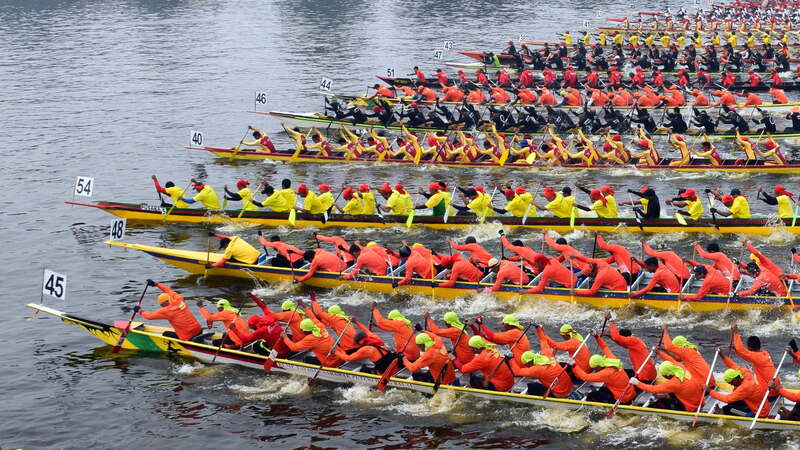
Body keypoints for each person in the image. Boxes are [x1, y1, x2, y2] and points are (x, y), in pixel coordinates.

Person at [570, 334, 635, 404]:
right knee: (603, 387)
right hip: (631, 392)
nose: (595, 370)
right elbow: (605, 347)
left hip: (623, 399)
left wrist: (574, 365)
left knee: (592, 395)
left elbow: (585, 377)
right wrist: (596, 337)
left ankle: (590, 400)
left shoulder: (606, 374)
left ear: (599, 366)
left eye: (595, 368)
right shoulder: (612, 359)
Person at [137, 279, 202, 341]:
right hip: (199, 330)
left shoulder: (166, 311)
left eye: (161, 305)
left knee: (166, 334)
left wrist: (139, 310)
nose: (162, 307)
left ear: (164, 303)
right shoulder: (179, 299)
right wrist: (155, 284)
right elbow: (168, 290)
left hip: (188, 336)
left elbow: (149, 316)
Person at [708, 353, 769, 418]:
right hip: (762, 405)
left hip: (759, 413)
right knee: (733, 401)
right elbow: (732, 365)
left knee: (727, 408)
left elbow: (727, 399)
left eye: (730, 382)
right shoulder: (746, 373)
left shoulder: (744, 387)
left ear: (735, 379)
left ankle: (722, 414)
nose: (730, 384)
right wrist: (723, 356)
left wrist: (710, 391)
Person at [630, 360, 704, 412]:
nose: (663, 377)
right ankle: (667, 397)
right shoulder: (682, 369)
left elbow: (653, 389)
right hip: (700, 401)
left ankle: (642, 409)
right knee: (670, 394)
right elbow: (670, 359)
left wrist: (637, 383)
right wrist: (660, 352)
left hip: (690, 408)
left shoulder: (674, 383)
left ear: (668, 375)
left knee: (660, 403)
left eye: (663, 375)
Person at [605, 312, 656, 382]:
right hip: (646, 374)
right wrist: (610, 336)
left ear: (626, 338)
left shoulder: (633, 340)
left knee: (617, 375)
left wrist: (610, 320)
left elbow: (617, 338)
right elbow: (621, 342)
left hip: (644, 377)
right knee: (620, 372)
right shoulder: (635, 341)